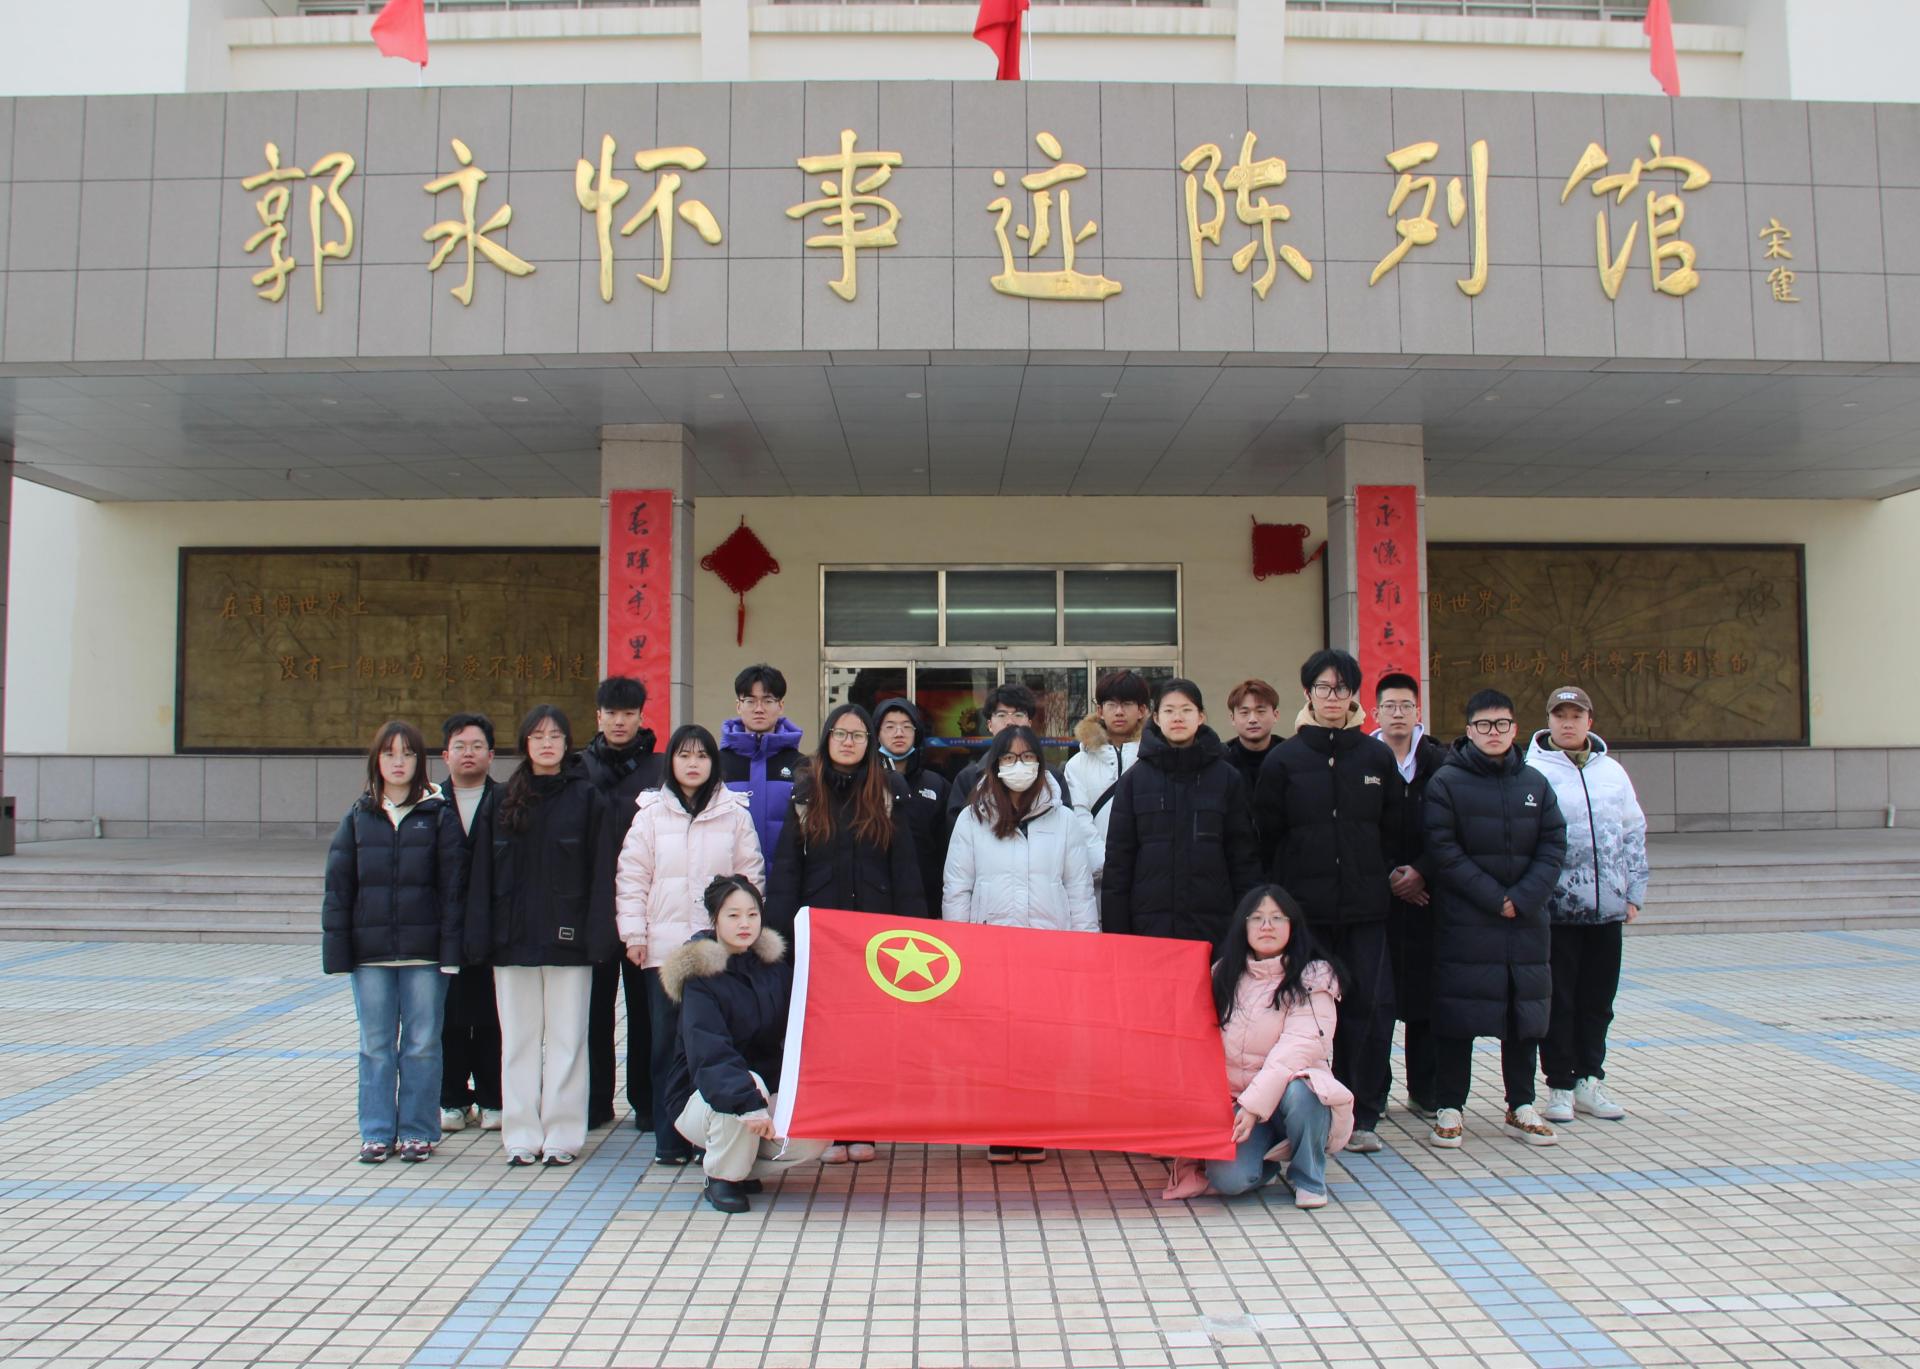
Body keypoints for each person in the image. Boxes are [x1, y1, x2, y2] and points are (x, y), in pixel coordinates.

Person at [1251, 649, 1401, 1154]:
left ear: (1354, 695)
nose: (1332, 697)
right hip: (1305, 915)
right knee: (1306, 1015)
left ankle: (1364, 1113)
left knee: (1369, 1009)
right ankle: (1310, 1109)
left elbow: (1396, 828)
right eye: (1323, 687)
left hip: (1365, 910)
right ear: (1308, 693)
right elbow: (1267, 834)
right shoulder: (1285, 760)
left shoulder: (1376, 758)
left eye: (1341, 688)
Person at [767, 701, 927, 1164]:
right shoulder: (805, 792)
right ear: (827, 739)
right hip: (820, 935)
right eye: (840, 734)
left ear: (869, 743)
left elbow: (905, 869)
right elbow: (787, 870)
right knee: (823, 1034)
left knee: (868, 1034)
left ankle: (863, 1127)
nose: (848, 742)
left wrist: (912, 931)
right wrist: (777, 936)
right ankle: (829, 1128)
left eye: (857, 735)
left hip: (874, 936)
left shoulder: (888, 790)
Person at [462, 706, 615, 1167]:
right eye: (538, 736)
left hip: (570, 941)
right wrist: (480, 936)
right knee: (518, 1041)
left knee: (568, 1041)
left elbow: (602, 873)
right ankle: (521, 1135)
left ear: (568, 744)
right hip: (511, 940)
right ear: (524, 744)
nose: (547, 744)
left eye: (555, 735)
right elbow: (481, 874)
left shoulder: (588, 798)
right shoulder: (502, 799)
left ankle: (563, 1135)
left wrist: (599, 937)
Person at [1422, 688, 1567, 1150]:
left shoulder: (1535, 783)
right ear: (1469, 731)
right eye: (1484, 725)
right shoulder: (1446, 782)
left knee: (1523, 1013)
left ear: (1515, 728)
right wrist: (1494, 898)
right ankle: (1449, 1106)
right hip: (1465, 921)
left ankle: (1520, 1104)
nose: (1493, 733)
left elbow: (1554, 844)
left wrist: (1522, 898)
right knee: (1457, 1014)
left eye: (1502, 724)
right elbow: (1442, 849)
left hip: (1524, 922)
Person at [944, 724, 1097, 1163]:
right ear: (995, 765)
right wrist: (960, 948)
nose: (1019, 766)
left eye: (1027, 757)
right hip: (989, 947)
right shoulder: (972, 818)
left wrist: (1085, 950)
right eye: (1009, 758)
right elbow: (956, 888)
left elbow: (1080, 889)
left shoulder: (1063, 819)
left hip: (1048, 946)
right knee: (994, 1040)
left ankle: (1032, 1126)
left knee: (1040, 1040)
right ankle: (999, 1126)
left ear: (1041, 762)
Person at [615, 724, 764, 1166]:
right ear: (671, 762)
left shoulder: (734, 813)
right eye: (684, 755)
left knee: (714, 1045)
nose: (693, 764)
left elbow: (751, 877)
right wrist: (634, 934)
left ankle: (710, 1138)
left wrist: (743, 932)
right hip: (665, 952)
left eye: (701, 755)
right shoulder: (650, 814)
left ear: (713, 762)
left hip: (718, 954)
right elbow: (632, 878)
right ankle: (670, 1139)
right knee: (665, 1045)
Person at [322, 720, 464, 1165]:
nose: (398, 762)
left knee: (422, 1045)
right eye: (389, 753)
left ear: (420, 761)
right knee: (376, 1046)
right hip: (372, 957)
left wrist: (452, 952)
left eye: (407, 753)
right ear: (376, 761)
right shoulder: (359, 816)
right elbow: (339, 888)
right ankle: (377, 1132)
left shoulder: (439, 815)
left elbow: (454, 891)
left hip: (425, 956)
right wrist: (339, 953)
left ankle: (419, 1132)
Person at [1165, 886, 1354, 1207]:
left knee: (1304, 1092)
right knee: (1228, 1180)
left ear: (1293, 926)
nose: (1267, 926)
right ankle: (1267, 1163)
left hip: (1285, 1097)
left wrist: (1253, 1106)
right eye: (1257, 918)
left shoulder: (1314, 976)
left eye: (1277, 918)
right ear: (1244, 926)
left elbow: (1296, 1049)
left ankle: (1309, 1178)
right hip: (1241, 1102)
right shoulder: (1223, 974)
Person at [663, 876, 831, 1214]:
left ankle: (740, 1166)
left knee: (815, 1134)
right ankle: (722, 1177)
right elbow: (710, 1053)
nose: (745, 924)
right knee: (746, 1083)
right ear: (714, 919)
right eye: (733, 915)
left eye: (752, 915)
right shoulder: (700, 977)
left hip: (761, 1094)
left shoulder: (774, 968)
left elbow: (801, 1029)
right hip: (701, 1095)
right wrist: (749, 1101)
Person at [1525, 686, 1649, 1125]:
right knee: (1559, 1001)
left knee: (1599, 1001)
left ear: (1589, 721)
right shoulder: (1534, 770)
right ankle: (1559, 1085)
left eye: (1576, 715)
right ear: (1548, 721)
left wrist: (1633, 891)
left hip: (1606, 909)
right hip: (1556, 911)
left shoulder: (1612, 771)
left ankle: (1590, 1080)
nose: (1568, 723)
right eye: (1560, 715)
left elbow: (1633, 830)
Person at [1100, 678, 1262, 949]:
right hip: (1149, 930)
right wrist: (1117, 936)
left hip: (1213, 930)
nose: (1178, 718)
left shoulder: (1227, 778)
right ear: (1156, 718)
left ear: (1201, 717)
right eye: (1169, 710)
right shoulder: (1134, 781)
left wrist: (1246, 929)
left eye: (1186, 710)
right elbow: (1118, 864)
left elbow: (1243, 860)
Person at [579, 677, 665, 1132]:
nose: (619, 721)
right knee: (593, 1010)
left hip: (645, 908)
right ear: (598, 716)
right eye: (611, 713)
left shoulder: (659, 769)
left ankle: (646, 1102)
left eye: (628, 714)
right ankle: (595, 1101)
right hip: (591, 907)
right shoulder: (579, 768)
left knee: (645, 1010)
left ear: (641, 717)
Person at [1370, 673, 1448, 1122]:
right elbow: (1354, 828)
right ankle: (1374, 1093)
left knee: (1426, 1001)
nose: (1398, 713)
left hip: (1427, 899)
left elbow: (1452, 829)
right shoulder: (1362, 759)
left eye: (1406, 706)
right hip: (1376, 899)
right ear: (1375, 712)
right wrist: (1386, 876)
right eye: (1389, 706)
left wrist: (1422, 872)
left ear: (1418, 712)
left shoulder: (1441, 762)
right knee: (1376, 1000)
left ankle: (1427, 1091)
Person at [438, 712, 503, 1136]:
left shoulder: (506, 801)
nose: (468, 753)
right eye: (459, 746)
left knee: (493, 1018)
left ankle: (493, 1098)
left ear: (491, 755)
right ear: (445, 755)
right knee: (448, 1018)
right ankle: (453, 1099)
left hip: (494, 928)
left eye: (477, 746)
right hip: (443, 930)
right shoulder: (430, 803)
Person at [944, 683, 1072, 834]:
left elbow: (1066, 831)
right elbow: (959, 836)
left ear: (1029, 723)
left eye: (1018, 715)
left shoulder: (1052, 777)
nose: (1010, 722)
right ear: (989, 725)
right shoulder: (968, 779)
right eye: (1001, 715)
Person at [1063, 670, 1149, 884]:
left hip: (1148, 876)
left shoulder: (1155, 759)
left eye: (1127, 704)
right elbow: (1079, 819)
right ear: (1100, 711)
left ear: (1142, 710)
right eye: (1111, 704)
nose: (1119, 712)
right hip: (1096, 879)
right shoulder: (1077, 764)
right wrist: (1106, 863)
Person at [721, 663, 807, 862]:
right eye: (750, 701)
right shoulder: (716, 765)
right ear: (738, 706)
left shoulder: (803, 766)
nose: (759, 709)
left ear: (780, 706)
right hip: (729, 878)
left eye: (768, 701)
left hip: (785, 876)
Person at [874, 697, 951, 917]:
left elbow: (947, 849)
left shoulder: (937, 784)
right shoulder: (866, 783)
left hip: (926, 900)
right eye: (890, 727)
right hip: (876, 898)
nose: (899, 733)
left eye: (907, 727)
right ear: (877, 734)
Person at [1222, 679, 1282, 793]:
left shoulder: (1289, 756)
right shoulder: (1221, 760)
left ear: (1275, 715)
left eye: (1261, 711)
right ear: (1232, 718)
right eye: (1244, 713)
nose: (1253, 719)